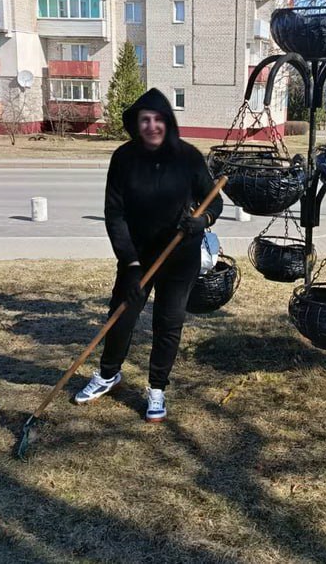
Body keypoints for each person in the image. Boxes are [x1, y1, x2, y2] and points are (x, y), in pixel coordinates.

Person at [74, 88, 223, 422]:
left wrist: (203, 220)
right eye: (145, 120)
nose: (152, 126)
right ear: (135, 124)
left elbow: (213, 200)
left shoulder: (188, 157)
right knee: (122, 315)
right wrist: (129, 262)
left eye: (158, 119)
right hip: (138, 256)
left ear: (167, 122)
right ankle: (109, 374)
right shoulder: (124, 159)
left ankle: (157, 389)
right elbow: (115, 213)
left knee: (168, 323)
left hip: (180, 255)